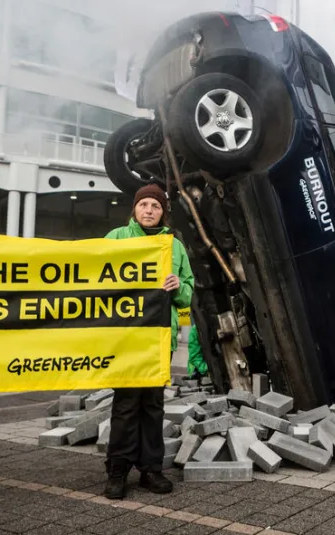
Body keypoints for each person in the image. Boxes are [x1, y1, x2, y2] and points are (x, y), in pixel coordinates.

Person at [103, 184, 194, 499]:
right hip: (126, 337)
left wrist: (178, 285)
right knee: (126, 404)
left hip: (159, 337)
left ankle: (150, 470)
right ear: (134, 209)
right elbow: (93, 275)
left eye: (156, 205)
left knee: (153, 405)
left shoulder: (174, 246)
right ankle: (117, 470)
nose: (150, 210)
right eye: (144, 204)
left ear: (162, 212)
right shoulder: (115, 238)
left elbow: (188, 292)